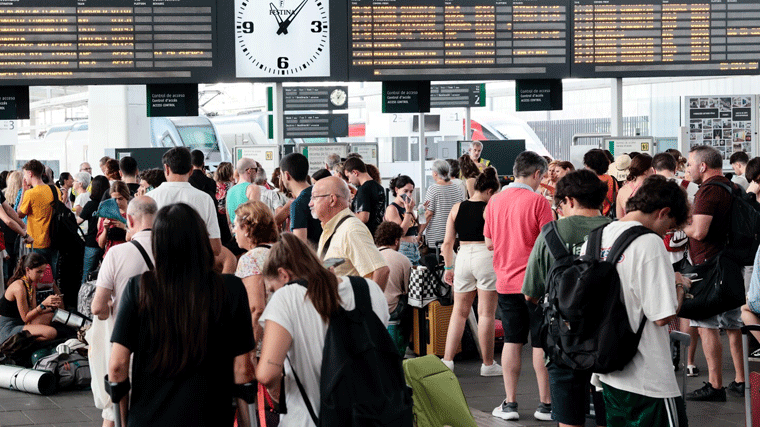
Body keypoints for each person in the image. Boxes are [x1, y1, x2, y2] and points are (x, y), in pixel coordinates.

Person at [108, 203, 255, 427]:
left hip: (149, 417)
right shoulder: (230, 289)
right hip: (210, 416)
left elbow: (117, 366)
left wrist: (125, 421)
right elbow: (243, 369)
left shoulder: (140, 287)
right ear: (201, 241)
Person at [585, 175, 690, 427]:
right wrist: (679, 284)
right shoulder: (650, 243)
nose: (668, 233)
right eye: (671, 226)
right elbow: (663, 315)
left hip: (606, 369)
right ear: (663, 212)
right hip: (648, 376)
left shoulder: (596, 237)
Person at [256, 233, 390, 427]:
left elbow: (267, 374)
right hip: (371, 417)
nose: (273, 294)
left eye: (272, 289)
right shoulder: (369, 289)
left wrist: (277, 394)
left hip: (308, 420)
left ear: (284, 275)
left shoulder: (286, 298)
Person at [521, 169, 611, 427]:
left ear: (569, 200)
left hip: (564, 344)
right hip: (611, 341)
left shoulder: (550, 234)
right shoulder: (618, 231)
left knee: (569, 420)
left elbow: (531, 293)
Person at [485, 151, 553, 422]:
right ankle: (545, 405)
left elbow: (489, 243)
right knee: (540, 342)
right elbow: (550, 242)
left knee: (512, 340)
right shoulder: (538, 202)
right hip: (536, 284)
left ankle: (510, 404)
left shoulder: (494, 201)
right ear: (536, 174)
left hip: (505, 281)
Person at [684, 145, 745, 401]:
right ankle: (741, 380)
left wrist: (678, 224)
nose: (686, 169)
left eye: (689, 164)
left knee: (705, 324)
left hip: (708, 265)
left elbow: (699, 232)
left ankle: (715, 385)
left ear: (702, 166)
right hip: (729, 262)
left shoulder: (708, 191)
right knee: (732, 323)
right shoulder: (732, 187)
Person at [90, 196, 156, 427]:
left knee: (115, 413)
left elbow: (98, 307)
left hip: (124, 344)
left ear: (129, 218)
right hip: (164, 345)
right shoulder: (171, 250)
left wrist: (109, 309)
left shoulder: (116, 254)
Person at [441, 168, 502, 377]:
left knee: (459, 312)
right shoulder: (491, 208)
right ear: (490, 190)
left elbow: (447, 242)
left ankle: (447, 361)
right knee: (486, 313)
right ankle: (487, 364)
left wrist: (448, 267)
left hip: (463, 256)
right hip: (486, 256)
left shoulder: (457, 207)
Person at [652, 151, 701, 376]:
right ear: (676, 167)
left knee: (662, 305)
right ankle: (689, 361)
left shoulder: (650, 188)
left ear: (654, 169)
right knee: (687, 309)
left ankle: (666, 355)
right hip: (686, 252)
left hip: (658, 252)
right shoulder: (690, 187)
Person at [310, 176, 390, 291]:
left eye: (314, 197)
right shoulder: (333, 228)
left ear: (332, 200)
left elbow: (381, 271)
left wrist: (369, 306)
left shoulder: (351, 229)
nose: (310, 203)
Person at [146, 147, 222, 256]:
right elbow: (215, 248)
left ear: (166, 168)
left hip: (159, 267)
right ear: (191, 170)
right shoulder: (205, 199)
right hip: (195, 268)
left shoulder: (149, 198)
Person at [233, 200, 279, 344]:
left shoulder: (250, 258)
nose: (233, 230)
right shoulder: (284, 250)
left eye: (235, 226)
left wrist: (249, 351)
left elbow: (256, 309)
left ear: (246, 229)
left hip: (264, 342)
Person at [0, 253, 63, 343]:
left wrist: (50, 306)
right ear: (28, 270)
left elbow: (33, 310)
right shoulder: (19, 287)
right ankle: (15, 344)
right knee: (51, 333)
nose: (42, 275)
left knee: (53, 316)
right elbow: (26, 318)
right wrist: (43, 304)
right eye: (39, 272)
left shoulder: (31, 283)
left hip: (20, 322)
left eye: (43, 272)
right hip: (8, 328)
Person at [17, 160, 63, 278]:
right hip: (55, 238)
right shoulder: (55, 190)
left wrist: (24, 191)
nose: (25, 178)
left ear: (30, 173)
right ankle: (53, 296)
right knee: (52, 277)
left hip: (36, 241)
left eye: (25, 175)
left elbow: (20, 214)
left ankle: (39, 296)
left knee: (37, 277)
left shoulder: (30, 193)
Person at [374, 221, 412, 354]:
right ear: (396, 241)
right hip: (392, 309)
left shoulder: (369, 256)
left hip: (372, 308)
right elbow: (407, 290)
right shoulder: (403, 260)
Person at [422, 160, 466, 250]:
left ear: (435, 173)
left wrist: (419, 233)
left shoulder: (433, 189)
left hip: (437, 236)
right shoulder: (457, 188)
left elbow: (429, 213)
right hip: (454, 235)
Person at [281, 153, 323, 247]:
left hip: (314, 258)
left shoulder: (298, 204)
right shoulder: (320, 194)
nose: (282, 179)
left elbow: (300, 246)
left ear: (287, 175)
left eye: (281, 175)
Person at [343, 157, 385, 237]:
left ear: (355, 172)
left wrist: (346, 212)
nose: (349, 181)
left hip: (366, 235)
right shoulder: (379, 187)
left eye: (348, 176)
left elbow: (363, 218)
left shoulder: (363, 189)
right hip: (378, 234)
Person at [78, 176, 110, 284]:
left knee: (87, 274)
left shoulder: (90, 205)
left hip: (91, 243)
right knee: (105, 275)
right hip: (106, 244)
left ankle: (83, 298)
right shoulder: (110, 206)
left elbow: (78, 221)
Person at [384, 175, 420, 265]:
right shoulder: (392, 209)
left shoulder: (406, 207)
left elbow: (417, 228)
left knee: (416, 277)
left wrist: (422, 214)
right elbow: (401, 233)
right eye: (405, 191)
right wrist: (408, 212)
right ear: (397, 190)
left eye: (411, 192)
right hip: (403, 248)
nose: (408, 195)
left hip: (415, 247)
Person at [615, 153, 654, 219]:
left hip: (627, 227)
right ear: (645, 171)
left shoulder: (623, 190)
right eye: (652, 169)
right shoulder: (651, 189)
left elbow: (619, 218)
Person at [97, 181, 131, 255]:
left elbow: (140, 239)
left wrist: (125, 227)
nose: (117, 202)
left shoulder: (133, 214)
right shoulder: (107, 215)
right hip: (111, 254)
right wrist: (105, 229)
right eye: (114, 199)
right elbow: (101, 244)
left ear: (127, 197)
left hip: (128, 254)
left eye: (120, 199)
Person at [584, 148, 618, 217]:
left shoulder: (587, 181)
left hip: (592, 218)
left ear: (589, 165)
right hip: (609, 218)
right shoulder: (612, 180)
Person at [226, 158, 260, 225]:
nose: (257, 172)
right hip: (249, 232)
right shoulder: (253, 188)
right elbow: (254, 215)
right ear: (249, 170)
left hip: (236, 233)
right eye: (256, 169)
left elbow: (229, 220)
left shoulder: (230, 191)